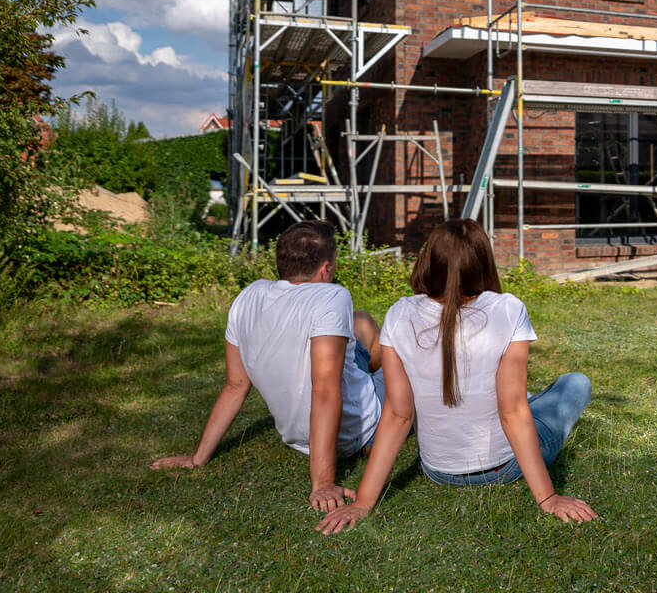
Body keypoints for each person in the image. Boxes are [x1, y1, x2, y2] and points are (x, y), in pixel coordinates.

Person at [315, 218, 596, 533]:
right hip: (504, 468)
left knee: (518, 399)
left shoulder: (399, 313)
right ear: (483, 262)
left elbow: (398, 415)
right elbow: (512, 411)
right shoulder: (509, 309)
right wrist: (549, 498)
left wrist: (363, 502)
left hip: (438, 470)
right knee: (574, 383)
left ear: (429, 261)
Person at [152, 220, 383, 512]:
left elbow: (236, 385)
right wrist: (323, 482)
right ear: (326, 269)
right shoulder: (333, 295)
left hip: (299, 441)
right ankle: (376, 429)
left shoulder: (249, 296)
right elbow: (324, 390)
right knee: (397, 355)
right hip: (351, 433)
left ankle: (369, 364)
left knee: (361, 322)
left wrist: (198, 457)